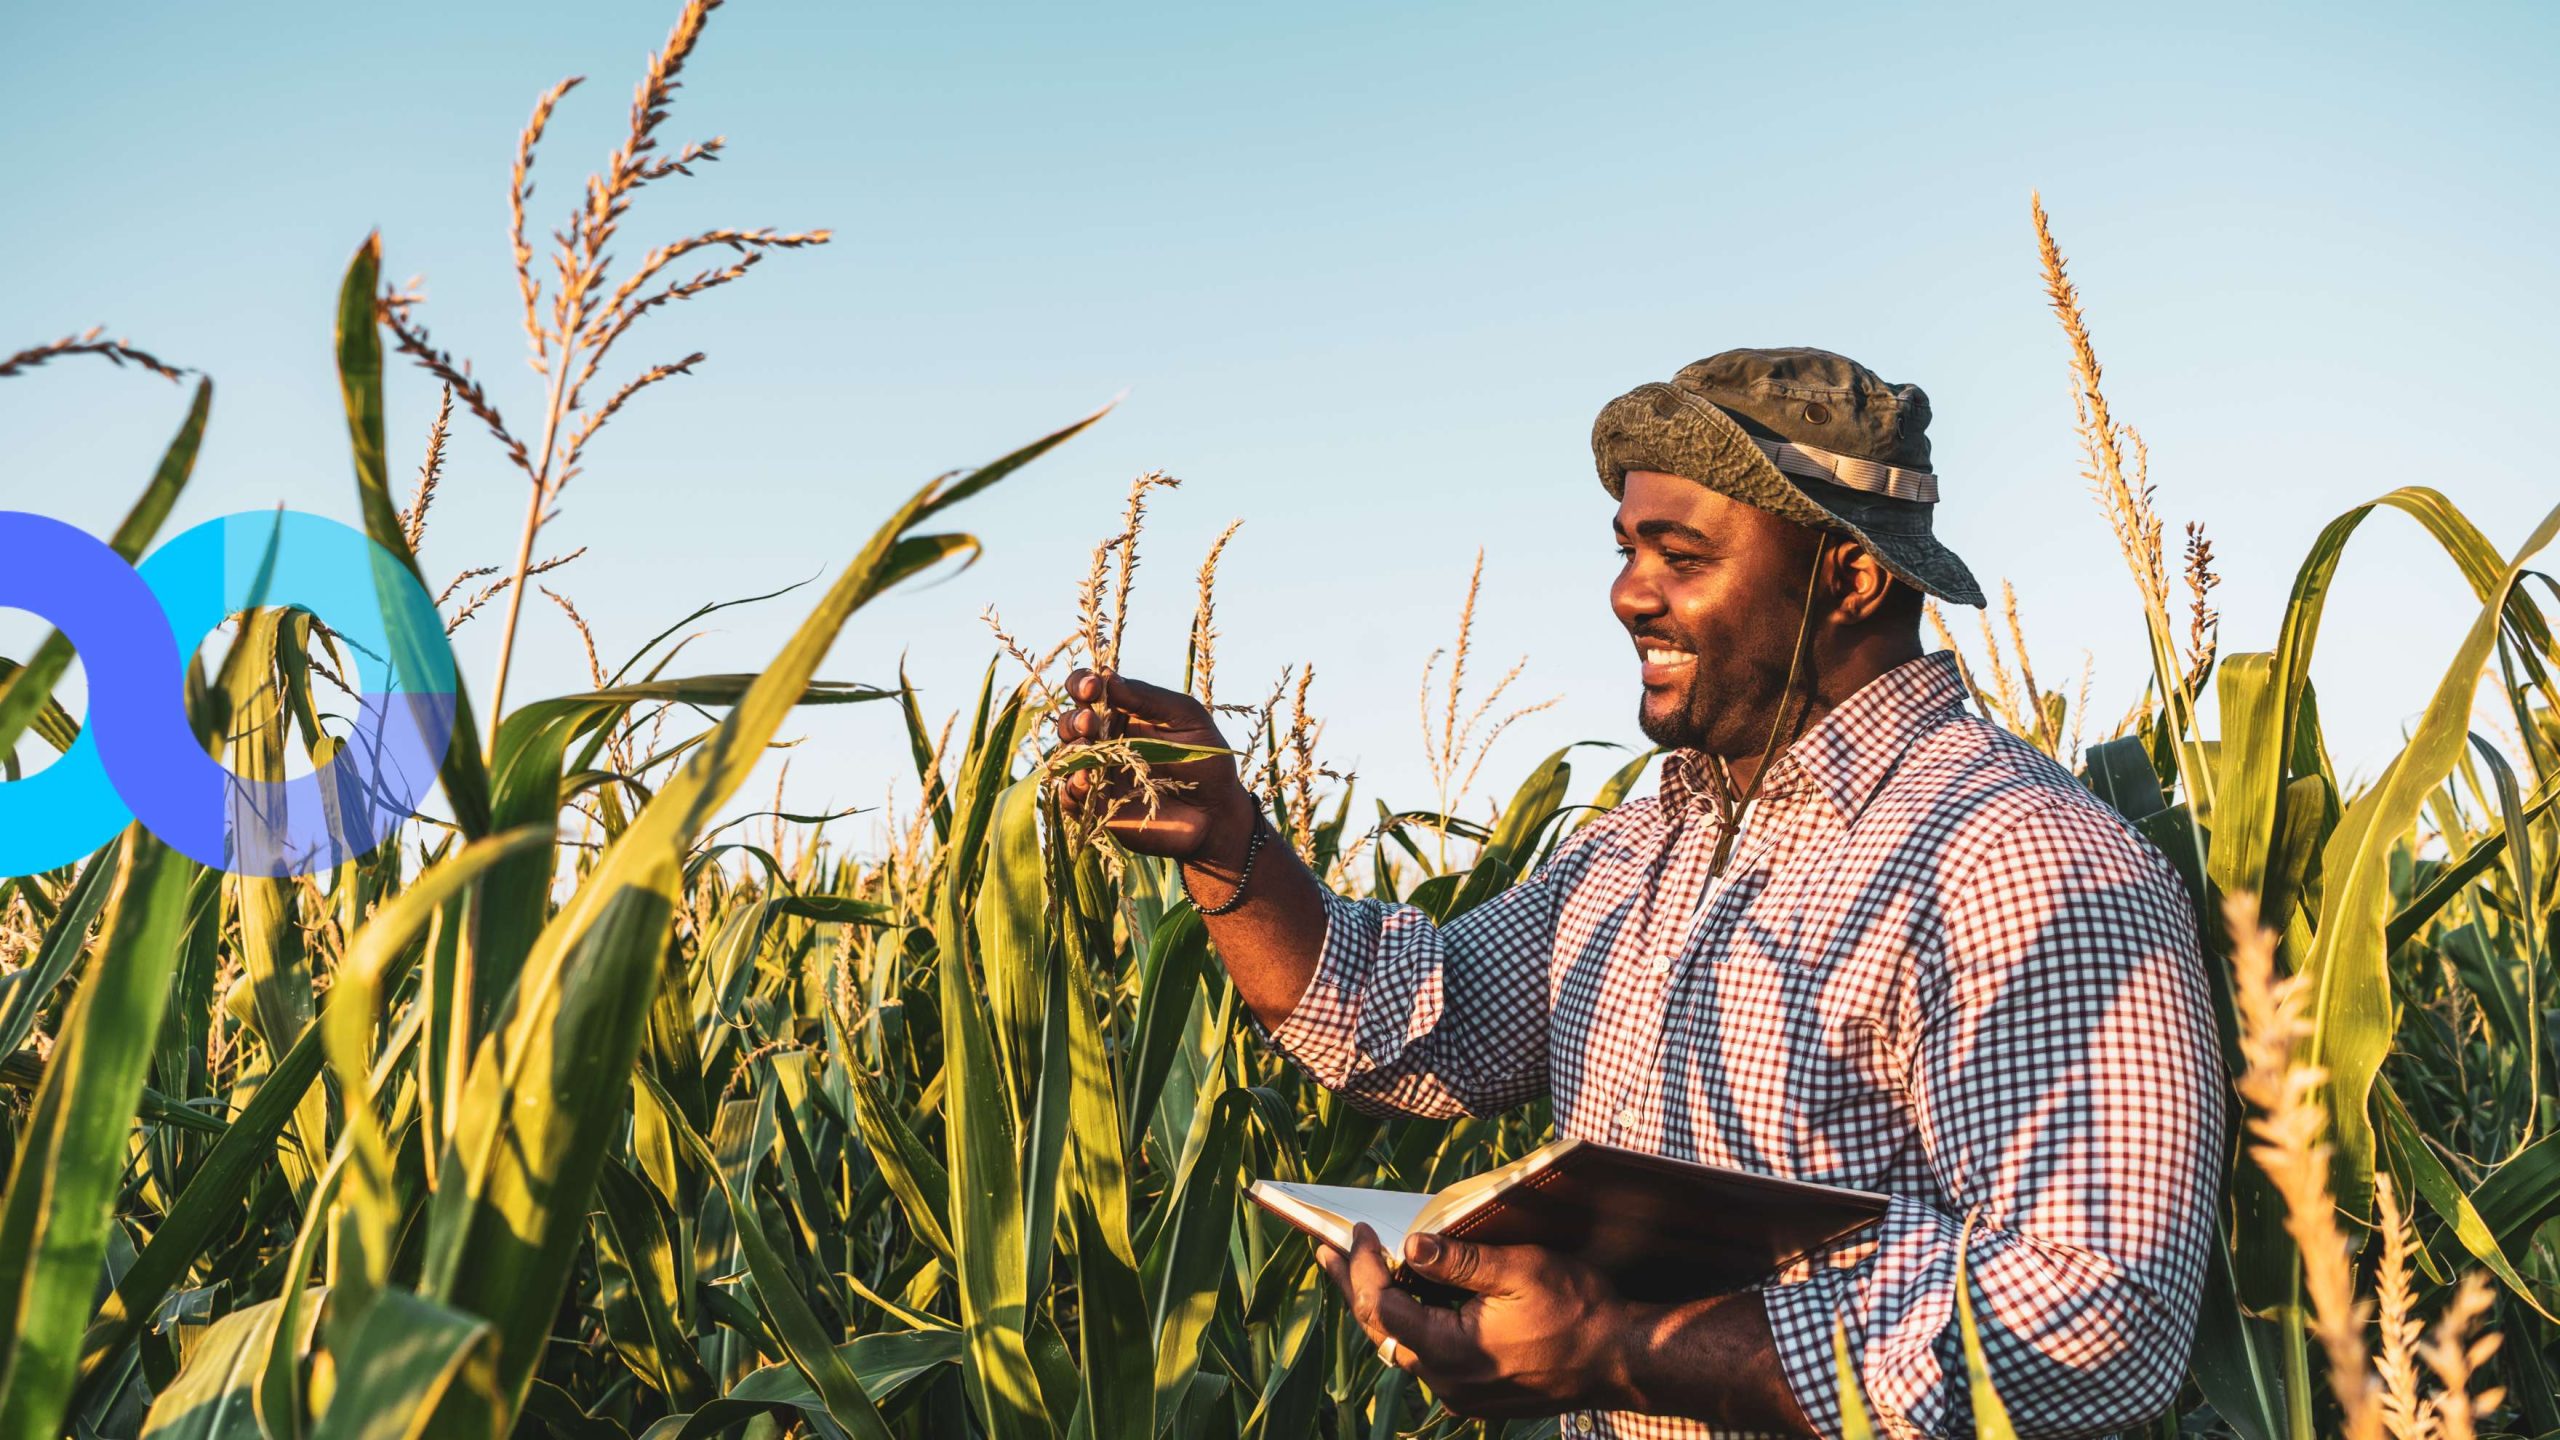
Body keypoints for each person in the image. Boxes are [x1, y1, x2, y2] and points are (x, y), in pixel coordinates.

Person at [1051, 348, 2223, 1438]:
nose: (1627, 594)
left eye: (1682, 555)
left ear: (1852, 576)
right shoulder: (1638, 849)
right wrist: (1225, 842)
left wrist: (1622, 1350)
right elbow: (1405, 1023)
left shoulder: (2021, 861)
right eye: (1625, 550)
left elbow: (2097, 1315)